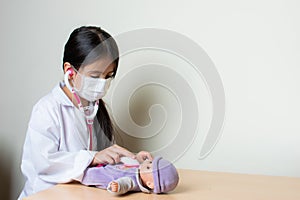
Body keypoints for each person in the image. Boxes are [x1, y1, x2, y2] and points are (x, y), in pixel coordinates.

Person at [18, 26, 152, 199]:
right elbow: (44, 164)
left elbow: (104, 163)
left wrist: (132, 161)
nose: (102, 83)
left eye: (108, 75)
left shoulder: (94, 109)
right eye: (95, 76)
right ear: (70, 72)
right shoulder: (47, 109)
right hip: (44, 195)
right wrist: (93, 157)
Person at [81, 156, 179, 194]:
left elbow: (125, 184)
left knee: (85, 174)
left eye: (148, 168)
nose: (146, 164)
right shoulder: (138, 171)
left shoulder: (134, 181)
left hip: (99, 175)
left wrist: (117, 186)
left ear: (150, 184)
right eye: (150, 162)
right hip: (105, 166)